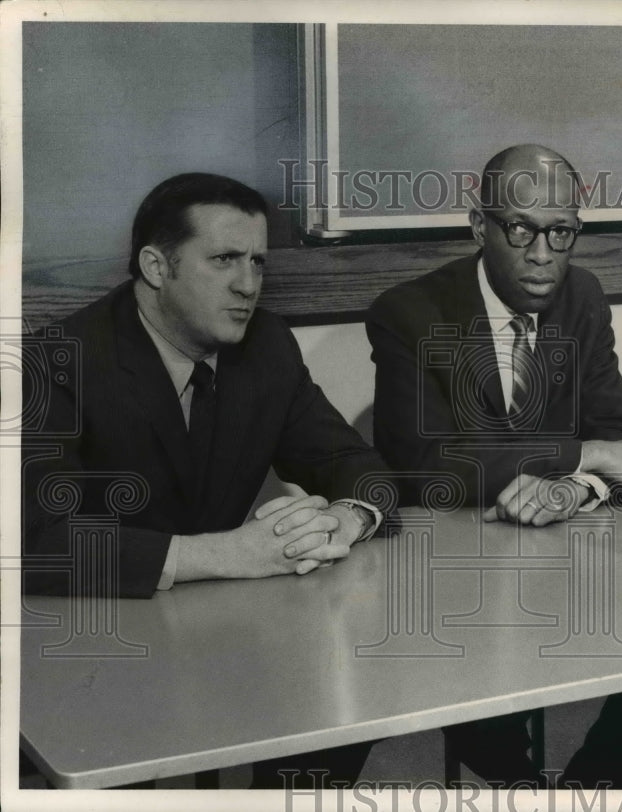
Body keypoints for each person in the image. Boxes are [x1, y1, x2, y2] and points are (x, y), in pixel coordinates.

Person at [366, 144, 622, 788]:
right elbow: (427, 466)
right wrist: (582, 456)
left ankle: (593, 786)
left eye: (561, 231)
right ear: (479, 226)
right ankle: (524, 783)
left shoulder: (582, 296)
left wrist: (572, 490)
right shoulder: (407, 313)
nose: (541, 253)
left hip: (561, 552)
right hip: (452, 573)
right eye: (520, 229)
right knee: (488, 692)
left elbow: (621, 435)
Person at [22, 172, 394, 788]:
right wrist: (225, 553)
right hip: (94, 641)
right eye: (223, 259)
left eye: (257, 262)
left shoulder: (266, 344)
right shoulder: (57, 360)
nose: (248, 285)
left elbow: (359, 465)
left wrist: (343, 520)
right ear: (156, 266)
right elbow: (32, 538)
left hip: (217, 631)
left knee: (359, 681)